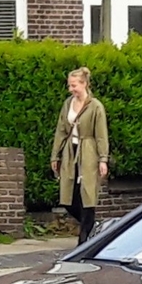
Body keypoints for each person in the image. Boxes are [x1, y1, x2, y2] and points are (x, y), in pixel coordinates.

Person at [54, 67, 109, 243]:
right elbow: (61, 130)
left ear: (84, 84)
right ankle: (93, 226)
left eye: (74, 85)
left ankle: (84, 239)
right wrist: (55, 155)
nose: (71, 89)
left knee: (87, 194)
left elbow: (101, 134)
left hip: (89, 151)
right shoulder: (68, 104)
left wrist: (103, 159)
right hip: (71, 151)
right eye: (69, 86)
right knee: (68, 196)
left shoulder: (96, 106)